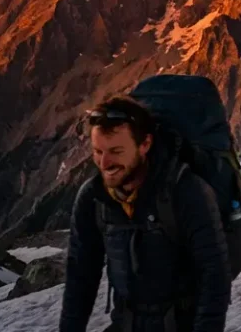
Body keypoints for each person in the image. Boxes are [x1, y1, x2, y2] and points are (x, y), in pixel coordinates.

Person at [60, 97, 232, 332]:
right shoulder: (93, 198)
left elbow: (214, 277)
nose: (104, 162)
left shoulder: (186, 192)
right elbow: (81, 276)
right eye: (97, 151)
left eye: (116, 151)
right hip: (126, 323)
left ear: (145, 144)